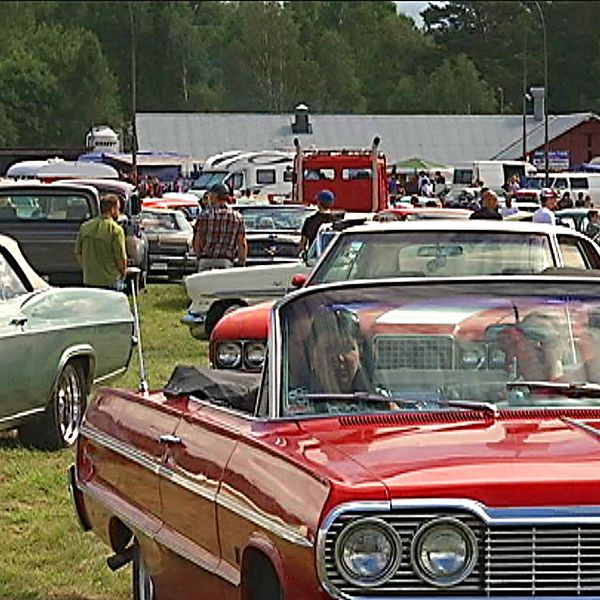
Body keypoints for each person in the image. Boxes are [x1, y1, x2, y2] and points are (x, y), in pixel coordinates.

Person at [74, 194, 127, 290]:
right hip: (110, 280)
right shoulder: (116, 230)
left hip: (90, 279)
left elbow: (78, 252)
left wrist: (87, 267)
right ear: (112, 209)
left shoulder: (85, 227)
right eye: (118, 208)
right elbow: (120, 258)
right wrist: (123, 273)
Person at [193, 183, 247, 271]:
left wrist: (199, 257)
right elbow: (242, 243)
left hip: (206, 260)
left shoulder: (204, 215)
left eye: (210, 195)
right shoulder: (237, 217)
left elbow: (198, 240)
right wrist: (241, 262)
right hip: (225, 261)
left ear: (215, 196)